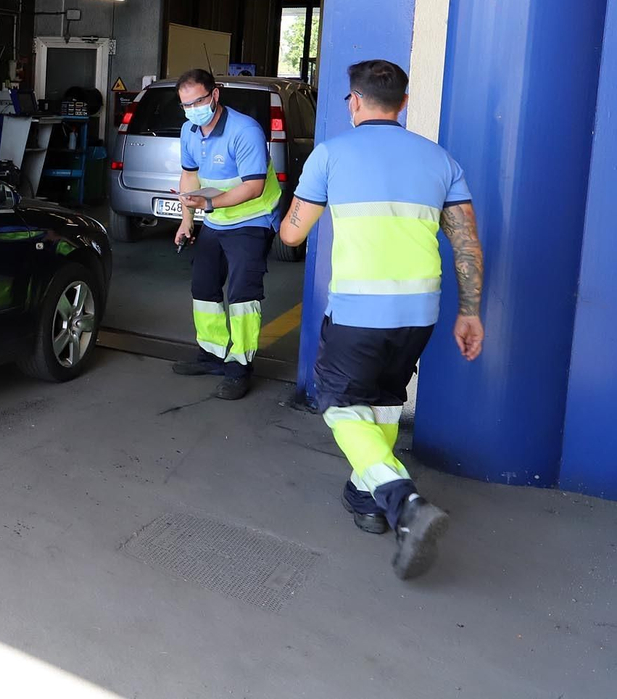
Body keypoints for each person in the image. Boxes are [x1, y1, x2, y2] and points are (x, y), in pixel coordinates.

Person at [277, 59, 484, 581]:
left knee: (338, 401)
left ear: (354, 100)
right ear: (403, 104)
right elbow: (466, 244)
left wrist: (292, 214)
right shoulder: (439, 160)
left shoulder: (331, 155)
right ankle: (367, 499)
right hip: (421, 311)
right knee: (386, 400)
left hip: (358, 310)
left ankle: (402, 500)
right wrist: (470, 312)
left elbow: (292, 235)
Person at [171, 69, 283, 400]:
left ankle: (239, 367)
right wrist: (186, 220)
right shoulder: (189, 131)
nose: (193, 109)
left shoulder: (244, 130)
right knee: (203, 287)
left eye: (199, 101)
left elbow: (253, 187)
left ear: (215, 95)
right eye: (186, 104)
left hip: (252, 220)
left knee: (242, 295)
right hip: (217, 220)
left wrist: (211, 202)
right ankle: (212, 355)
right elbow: (188, 176)